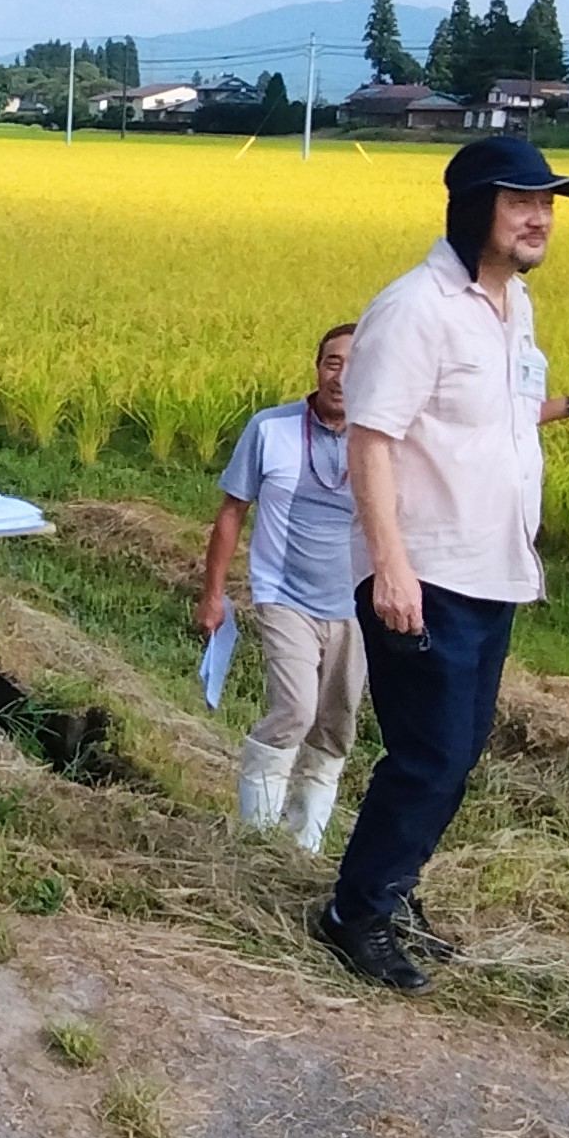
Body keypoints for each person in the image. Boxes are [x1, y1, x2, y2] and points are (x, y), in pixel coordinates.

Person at [315, 135, 569, 993]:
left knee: (457, 751)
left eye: (549, 204)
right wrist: (391, 567)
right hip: (429, 570)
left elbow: (505, 414)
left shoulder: (509, 304)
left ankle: (391, 887)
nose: (541, 218)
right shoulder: (416, 308)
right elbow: (371, 442)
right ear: (475, 207)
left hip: (493, 568)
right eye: (522, 201)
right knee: (429, 755)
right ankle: (353, 913)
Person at [195, 324, 365, 852]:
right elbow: (231, 513)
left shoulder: (381, 442)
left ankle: (302, 847)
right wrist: (212, 594)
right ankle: (256, 840)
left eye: (356, 366)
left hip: (356, 606)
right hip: (284, 594)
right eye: (333, 362)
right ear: (316, 367)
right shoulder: (271, 428)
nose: (342, 376)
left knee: (336, 726)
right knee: (294, 710)